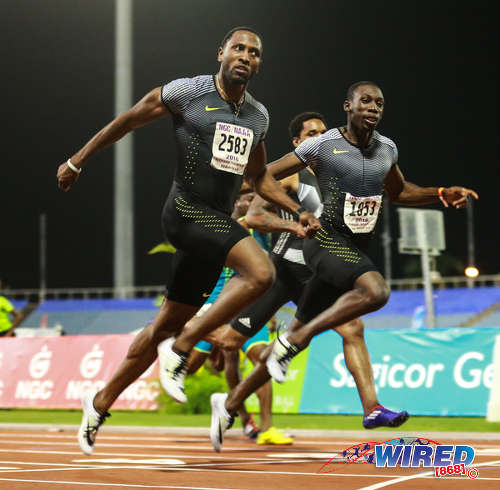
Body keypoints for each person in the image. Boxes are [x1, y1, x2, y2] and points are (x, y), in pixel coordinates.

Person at [56, 26, 320, 455]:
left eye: (254, 52)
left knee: (163, 323)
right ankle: (181, 349)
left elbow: (258, 178)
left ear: (258, 63)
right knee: (261, 271)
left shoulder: (257, 117)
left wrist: (299, 213)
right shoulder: (188, 93)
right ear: (221, 52)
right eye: (238, 48)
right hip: (184, 212)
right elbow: (126, 121)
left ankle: (100, 403)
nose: (246, 56)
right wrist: (76, 160)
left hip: (212, 230)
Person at [209, 81, 479, 452]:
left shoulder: (387, 149)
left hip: (335, 260)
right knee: (374, 291)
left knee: (340, 330)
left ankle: (232, 402)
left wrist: (440, 194)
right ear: (347, 106)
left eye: (379, 103)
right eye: (365, 101)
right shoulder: (316, 153)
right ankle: (188, 340)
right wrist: (291, 214)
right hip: (308, 253)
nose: (373, 107)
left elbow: (397, 192)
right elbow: (259, 180)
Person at [207, 111, 407, 439]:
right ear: (298, 143)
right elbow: (255, 217)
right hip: (281, 272)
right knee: (230, 341)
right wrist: (293, 223)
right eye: (311, 133)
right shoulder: (289, 179)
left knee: (349, 329)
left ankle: (371, 408)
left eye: (323, 131)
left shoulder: (338, 173)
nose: (320, 137)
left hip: (317, 272)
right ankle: (187, 341)